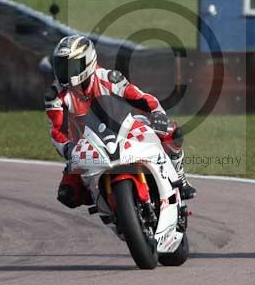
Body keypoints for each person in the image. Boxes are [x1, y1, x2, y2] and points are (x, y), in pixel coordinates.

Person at [45, 34, 197, 208]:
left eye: (70, 66)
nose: (65, 71)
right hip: (85, 146)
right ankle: (106, 203)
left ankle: (181, 179)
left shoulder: (108, 77)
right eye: (61, 66)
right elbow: (56, 131)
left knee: (172, 132)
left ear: (87, 62)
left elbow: (140, 97)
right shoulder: (55, 96)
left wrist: (157, 113)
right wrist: (67, 147)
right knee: (68, 194)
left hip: (125, 127)